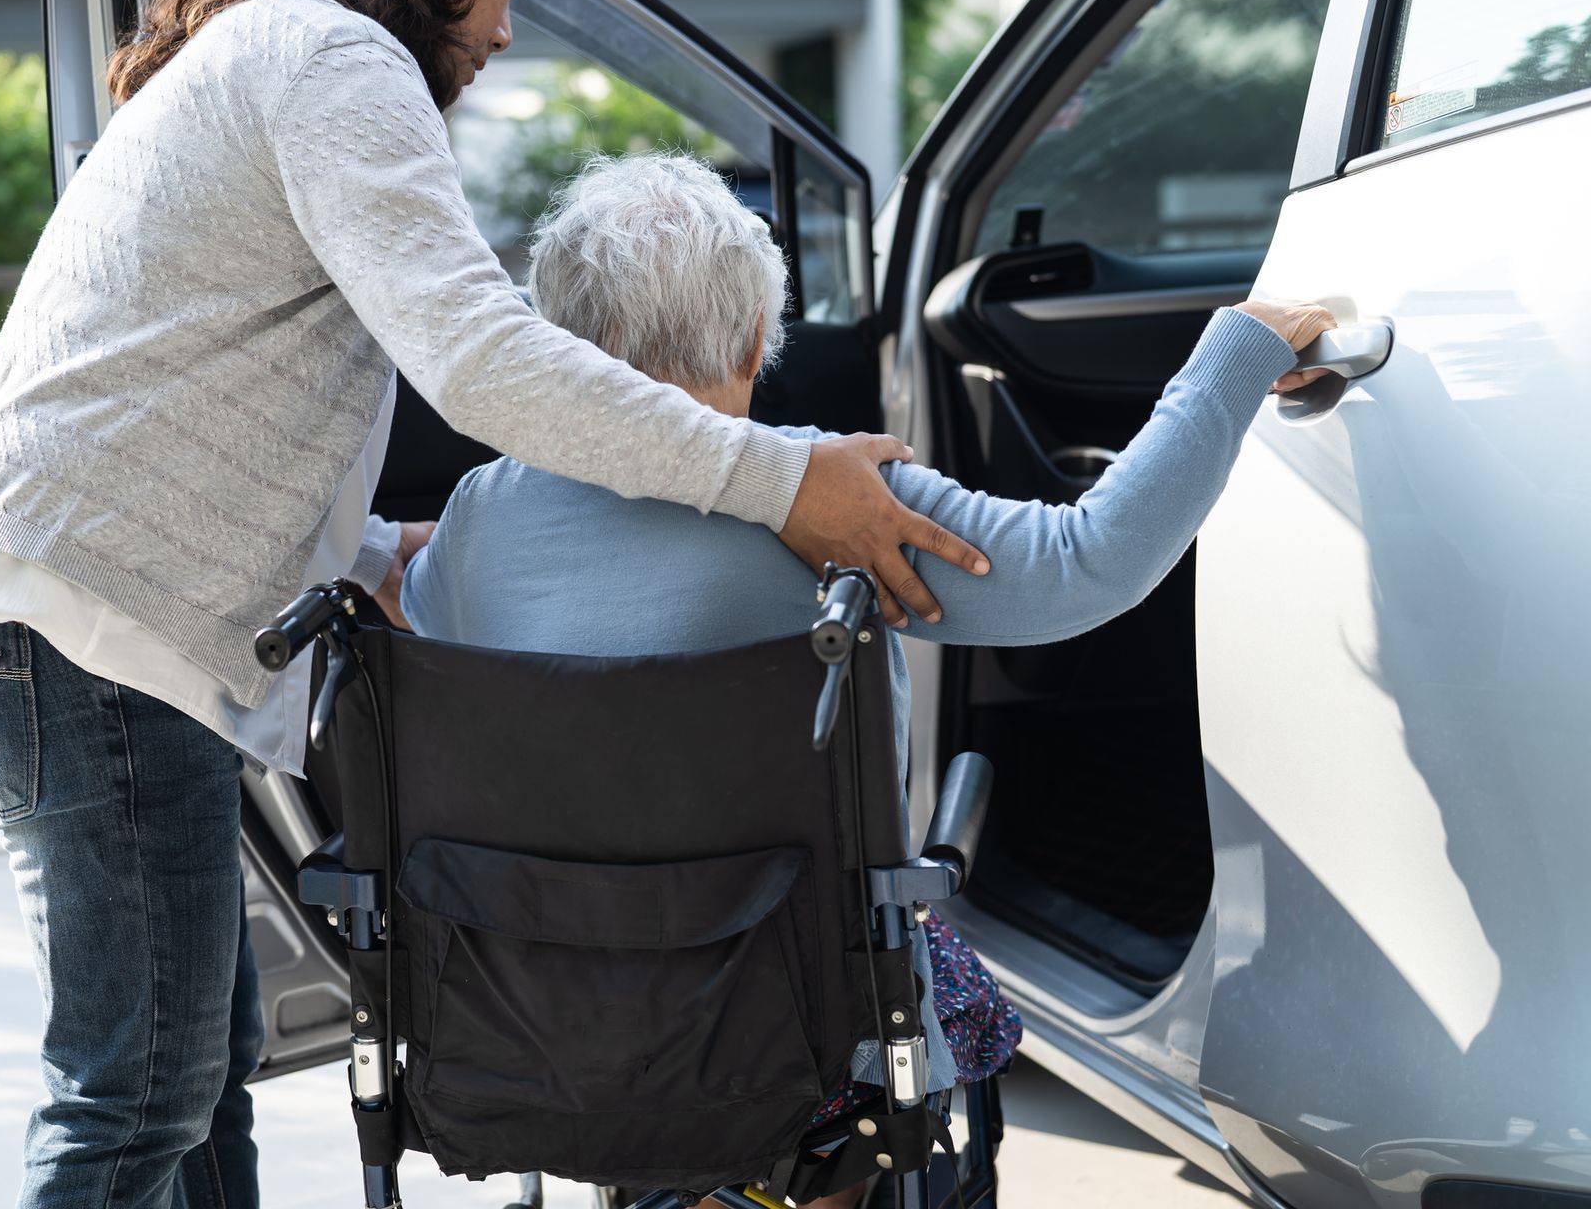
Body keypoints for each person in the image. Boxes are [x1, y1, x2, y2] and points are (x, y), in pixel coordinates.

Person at [0, 0, 996, 1205]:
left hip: (57, 622)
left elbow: (204, 379)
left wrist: (369, 549)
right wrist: (783, 476)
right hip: (82, 641)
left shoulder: (281, 49)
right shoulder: (336, 54)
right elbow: (480, 361)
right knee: (134, 1098)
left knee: (195, 1084)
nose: (509, 26)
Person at [399, 152, 1336, 1201]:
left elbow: (422, 628)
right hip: (805, 1031)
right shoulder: (830, 499)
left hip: (544, 1013)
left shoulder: (484, 513)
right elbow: (1090, 562)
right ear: (758, 338)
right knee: (951, 986)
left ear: (559, 341)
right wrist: (1239, 350)